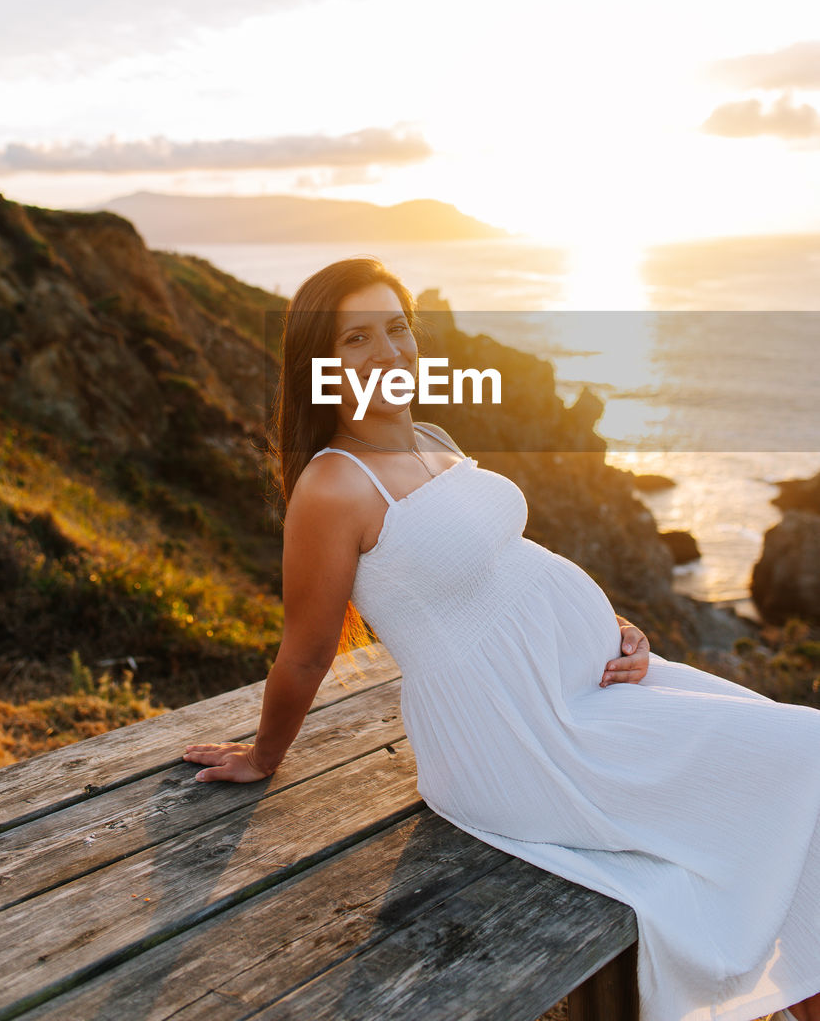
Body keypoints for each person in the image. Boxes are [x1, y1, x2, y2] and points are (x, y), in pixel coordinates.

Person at [184, 257, 820, 1021]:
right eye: (356, 337)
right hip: (520, 732)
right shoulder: (333, 487)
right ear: (319, 364)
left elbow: (502, 562)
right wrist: (263, 755)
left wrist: (613, 624)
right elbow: (306, 650)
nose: (387, 352)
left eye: (397, 327)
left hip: (590, 683)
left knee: (795, 771)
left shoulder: (432, 435)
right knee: (801, 764)